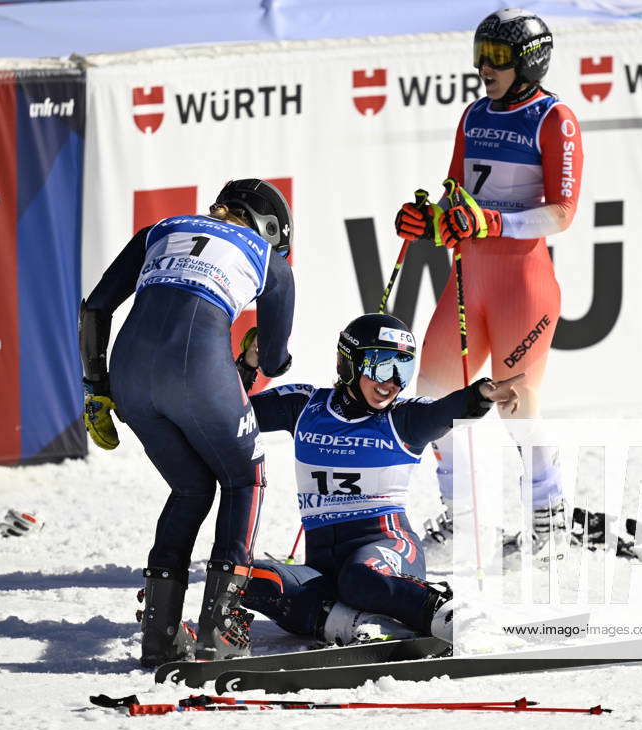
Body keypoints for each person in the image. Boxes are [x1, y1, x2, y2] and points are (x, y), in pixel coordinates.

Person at [78, 179, 295, 666]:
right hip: (196, 368)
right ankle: (221, 628)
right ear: (268, 228)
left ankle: (159, 636)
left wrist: (96, 387)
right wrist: (260, 352)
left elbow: (94, 308)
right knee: (246, 479)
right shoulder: (269, 258)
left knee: (192, 488)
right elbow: (277, 361)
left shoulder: (160, 228)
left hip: (128, 374)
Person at [394, 9, 584, 556]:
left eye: (497, 56)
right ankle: (464, 519)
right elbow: (456, 200)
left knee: (515, 407)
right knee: (431, 396)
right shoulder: (474, 115)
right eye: (480, 54)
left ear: (530, 60)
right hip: (467, 281)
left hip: (522, 285)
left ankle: (549, 519)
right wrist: (426, 222)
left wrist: (494, 221)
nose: (484, 67)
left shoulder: (555, 119)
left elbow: (562, 212)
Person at [235, 313, 522, 645]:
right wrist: (246, 365)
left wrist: (481, 395)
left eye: (403, 368)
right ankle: (359, 626)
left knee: (360, 577)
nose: (392, 382)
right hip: (327, 570)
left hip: (388, 551)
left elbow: (443, 412)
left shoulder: (403, 418)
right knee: (241, 577)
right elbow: (226, 411)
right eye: (381, 365)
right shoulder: (304, 406)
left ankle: (458, 618)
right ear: (350, 363)